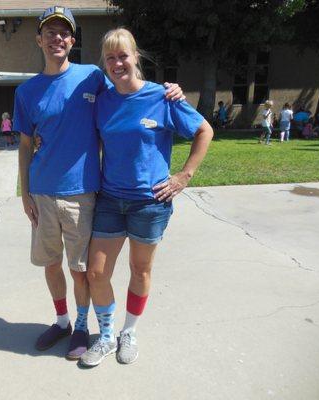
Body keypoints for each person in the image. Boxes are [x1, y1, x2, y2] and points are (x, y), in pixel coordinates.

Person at [14, 6, 184, 361]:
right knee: (50, 263)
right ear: (39, 40)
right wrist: (25, 191)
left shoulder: (92, 76)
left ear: (72, 41)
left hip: (82, 191)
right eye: (50, 32)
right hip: (41, 192)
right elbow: (26, 145)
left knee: (81, 270)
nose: (56, 38)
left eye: (63, 33)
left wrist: (168, 91)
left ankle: (81, 326)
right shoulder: (27, 91)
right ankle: (60, 321)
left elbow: (128, 89)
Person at [79, 28, 213, 368]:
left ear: (136, 57)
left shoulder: (163, 97)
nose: (116, 63)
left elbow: (203, 130)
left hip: (150, 203)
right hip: (110, 199)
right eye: (110, 58)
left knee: (140, 270)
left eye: (122, 55)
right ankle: (107, 335)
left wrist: (184, 176)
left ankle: (129, 332)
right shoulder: (103, 99)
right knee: (96, 272)